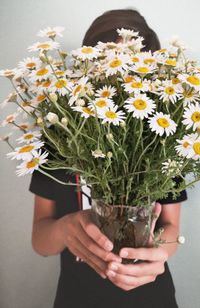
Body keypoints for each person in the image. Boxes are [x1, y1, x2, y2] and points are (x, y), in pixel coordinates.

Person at [29, 8, 188, 308]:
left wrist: (157, 251)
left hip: (152, 296)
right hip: (77, 298)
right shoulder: (58, 135)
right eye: (110, 62)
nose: (120, 75)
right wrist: (65, 228)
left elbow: (171, 226)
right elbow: (40, 238)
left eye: (134, 65)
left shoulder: (162, 135)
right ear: (88, 65)